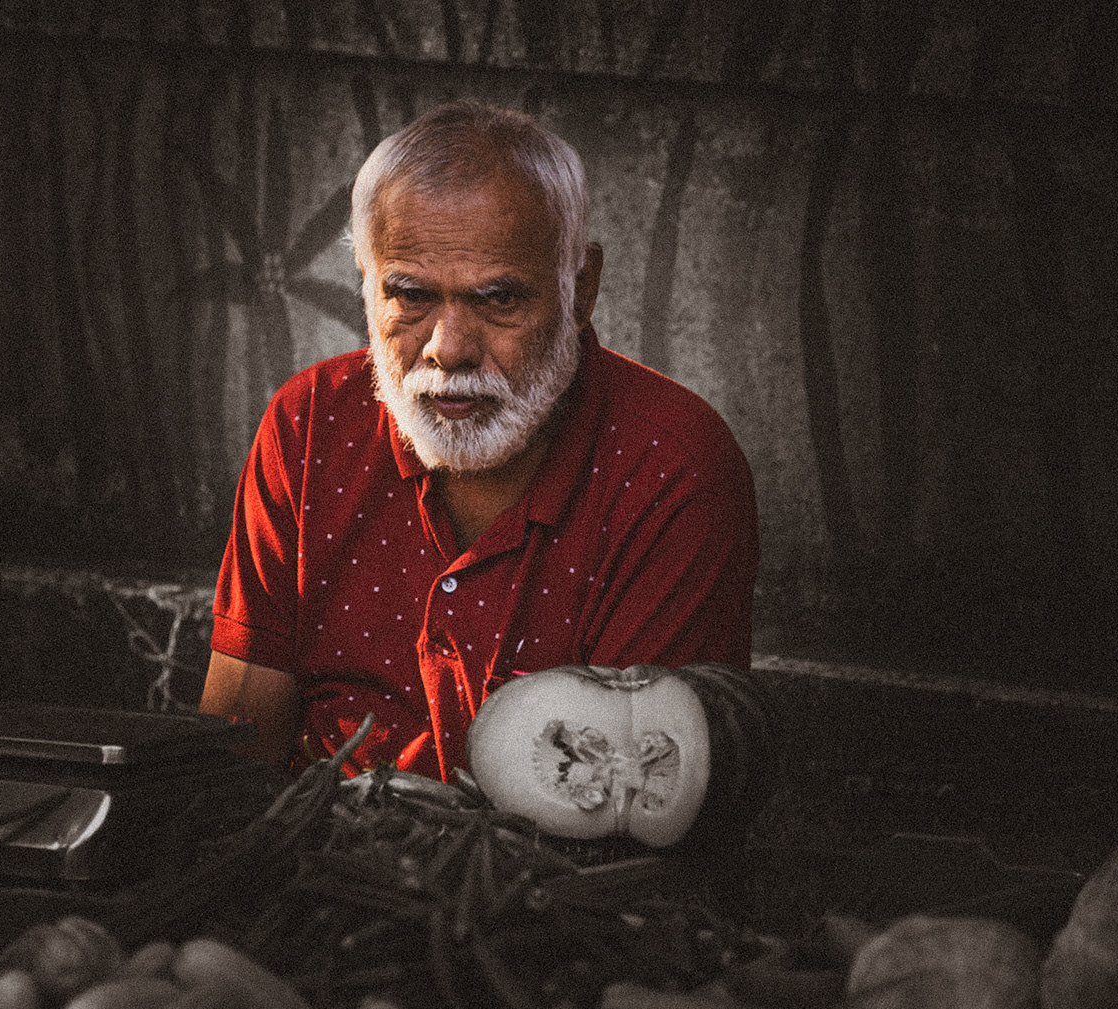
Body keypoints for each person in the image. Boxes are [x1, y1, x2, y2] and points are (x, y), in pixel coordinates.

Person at [200, 100, 759, 779]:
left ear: (579, 290)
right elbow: (231, 758)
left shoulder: (673, 469)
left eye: (499, 301)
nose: (449, 350)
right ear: (366, 288)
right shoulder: (308, 425)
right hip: (314, 867)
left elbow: (628, 804)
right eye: (409, 295)